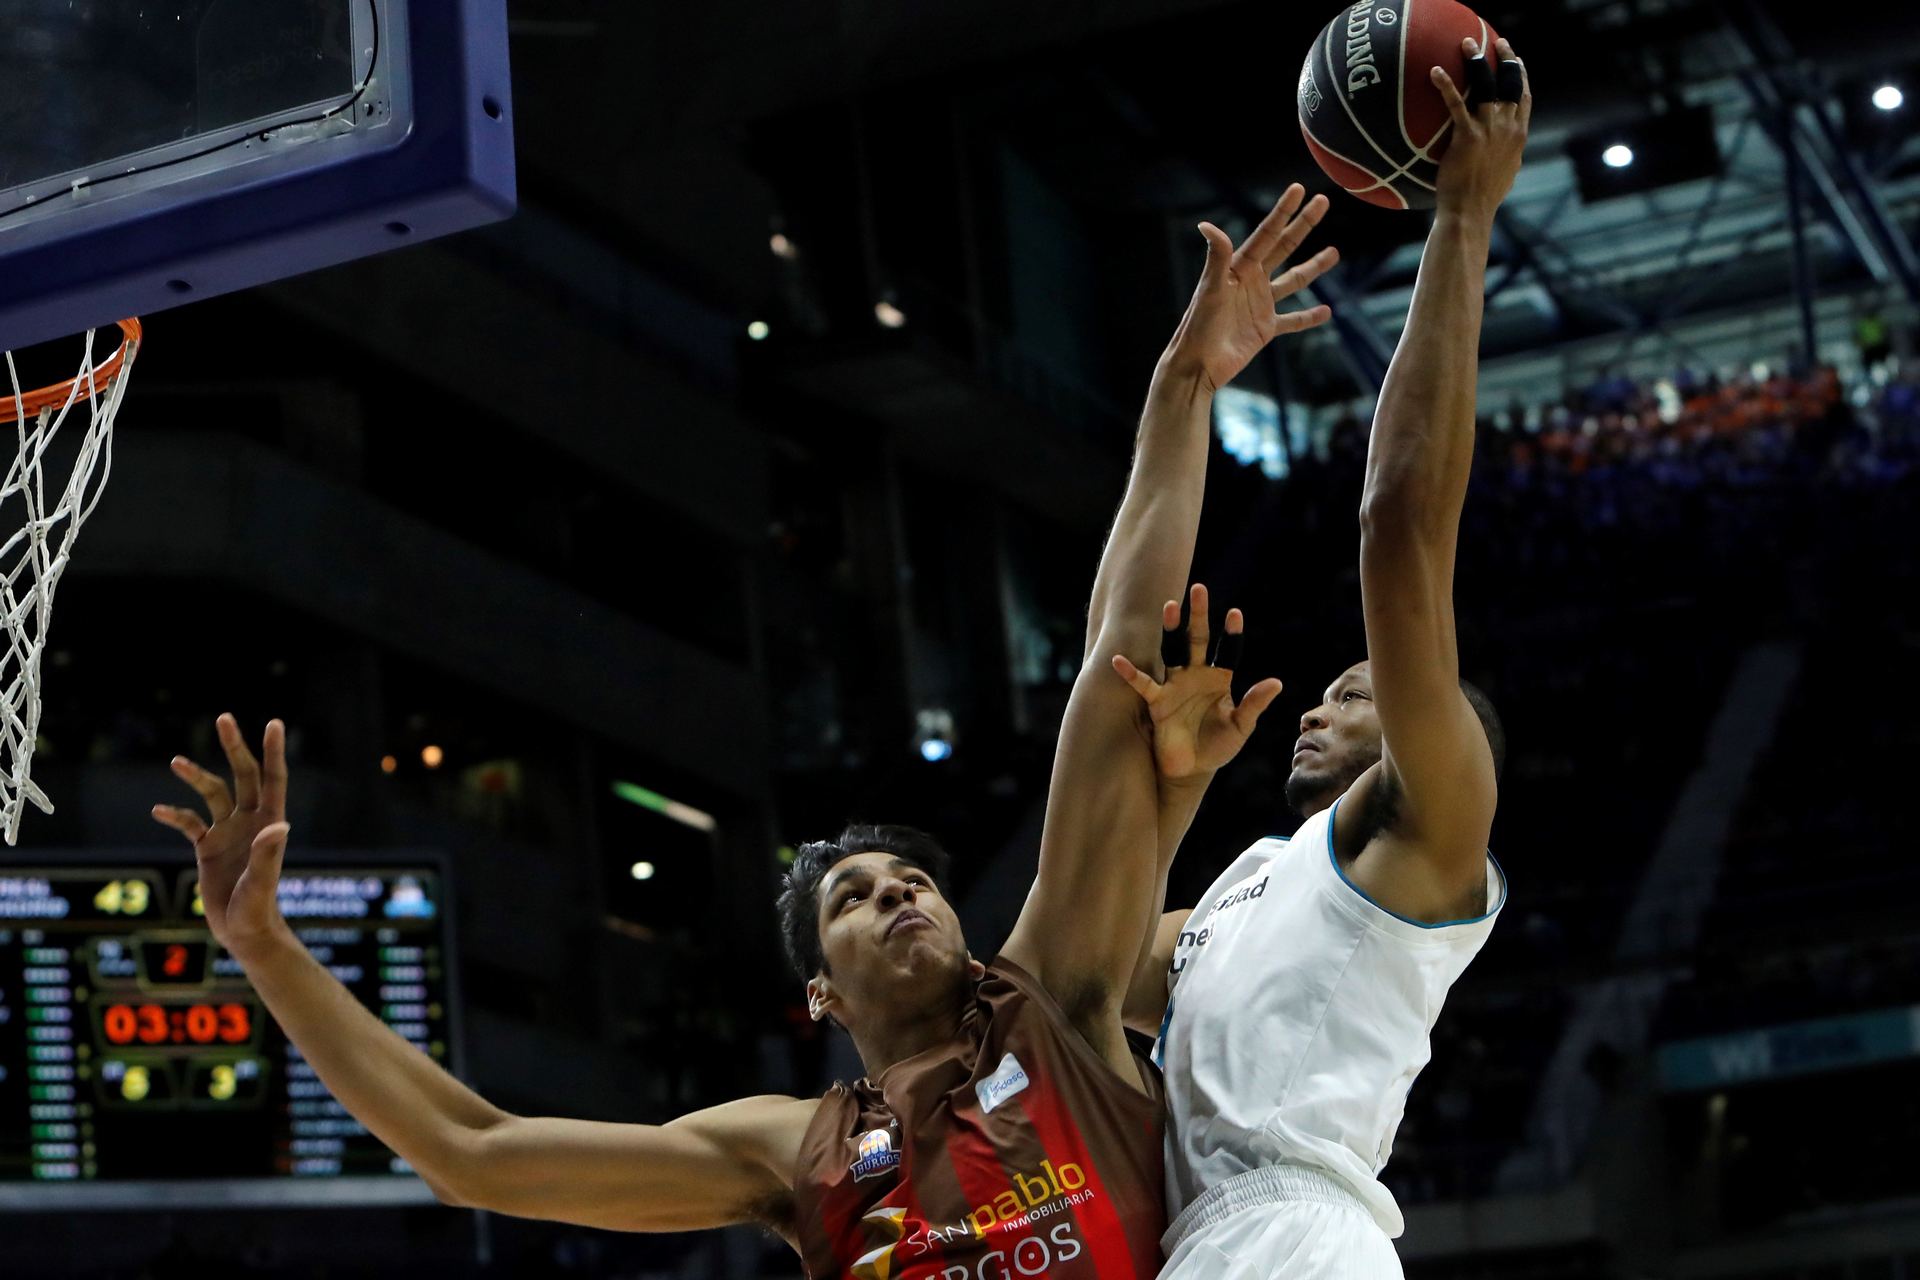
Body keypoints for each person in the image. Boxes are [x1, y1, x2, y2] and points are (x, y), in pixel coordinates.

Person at [149, 190, 1338, 1277]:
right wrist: (259, 942)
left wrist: (1183, 388)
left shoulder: (1057, 998)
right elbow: (475, 1148)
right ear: (821, 994)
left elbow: (1109, 665)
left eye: (911, 877)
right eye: (857, 897)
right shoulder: (794, 1147)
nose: (898, 893)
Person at [1114, 37, 1529, 1278]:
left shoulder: (1432, 821)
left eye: (1365, 692)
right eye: (1338, 686)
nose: (1325, 700)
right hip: (1198, 1241)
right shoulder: (1243, 882)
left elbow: (1399, 526)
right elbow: (1082, 967)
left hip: (1300, 1235)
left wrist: (1461, 215)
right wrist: (1168, 791)